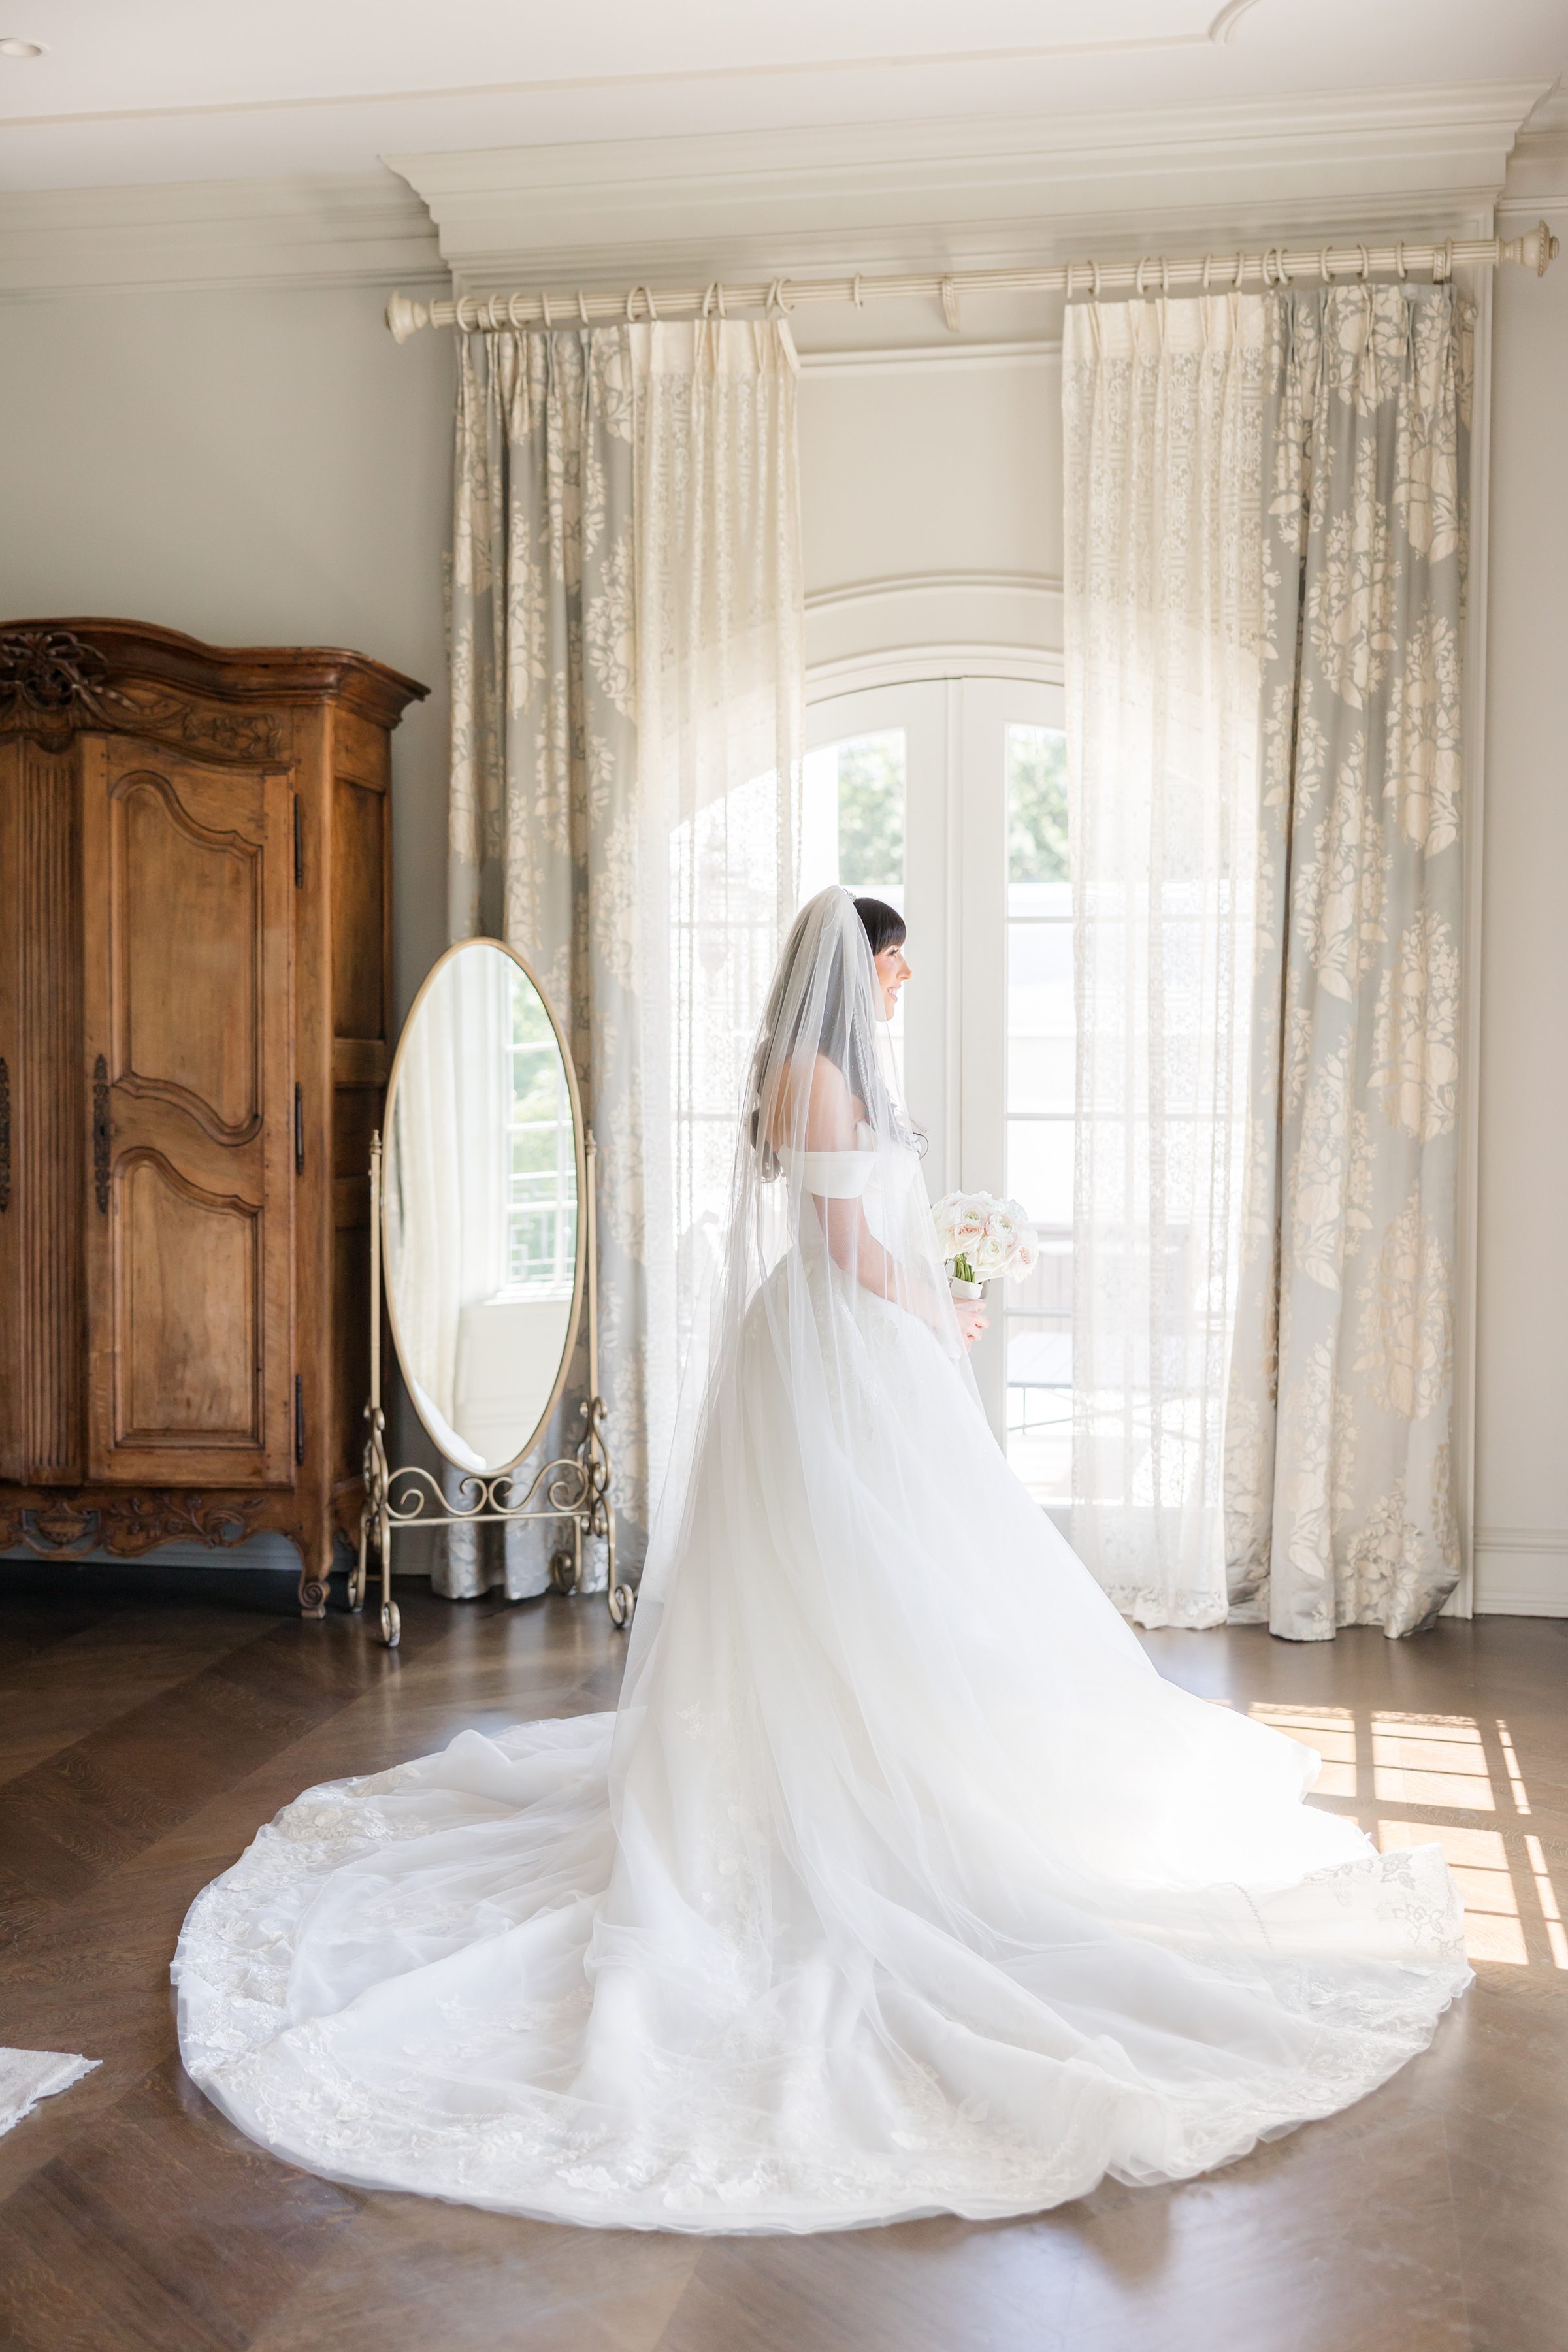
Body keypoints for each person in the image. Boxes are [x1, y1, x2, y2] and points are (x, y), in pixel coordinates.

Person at [173, 887, 1467, 2234]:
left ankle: (895, 1755)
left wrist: (936, 1280)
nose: (905, 982)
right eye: (899, 962)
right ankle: (839, 1789)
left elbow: (866, 1229)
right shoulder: (815, 1073)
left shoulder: (836, 1067)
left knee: (898, 1575)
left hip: (849, 1349)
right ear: (866, 961)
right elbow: (851, 1250)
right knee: (850, 1574)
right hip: (845, 1347)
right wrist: (943, 1305)